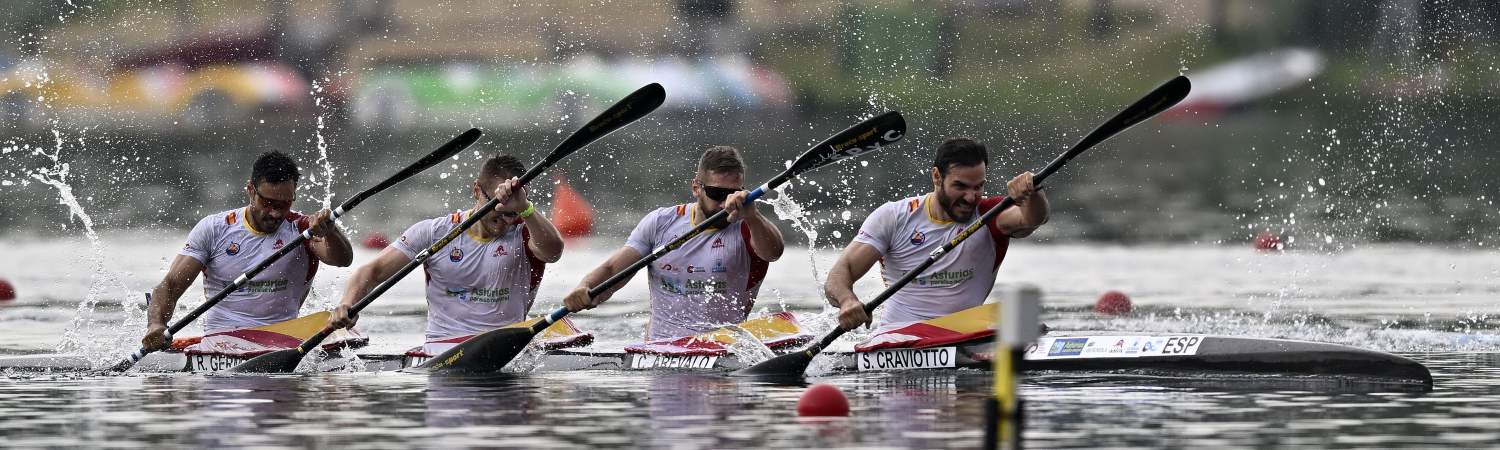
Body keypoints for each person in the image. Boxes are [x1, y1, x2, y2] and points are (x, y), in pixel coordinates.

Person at [325, 155, 564, 354]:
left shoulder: (527, 232)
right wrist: (347, 304)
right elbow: (372, 272)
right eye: (496, 206)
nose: (505, 218)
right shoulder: (433, 232)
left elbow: (553, 252)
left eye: (512, 211)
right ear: (476, 191)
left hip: (505, 348)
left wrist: (525, 209)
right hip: (442, 349)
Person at [562, 146, 785, 340]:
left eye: (733, 193)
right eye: (717, 193)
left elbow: (774, 252)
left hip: (723, 349)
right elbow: (613, 269)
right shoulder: (661, 222)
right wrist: (584, 289)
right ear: (697, 187)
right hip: (659, 349)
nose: (723, 204)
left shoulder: (749, 226)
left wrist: (753, 216)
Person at [825, 138, 1048, 330]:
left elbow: (1033, 218)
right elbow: (838, 275)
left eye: (978, 187)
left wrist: (1033, 192)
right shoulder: (893, 217)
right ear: (936, 177)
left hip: (966, 331)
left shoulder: (990, 214)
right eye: (960, 186)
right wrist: (847, 301)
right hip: (900, 335)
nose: (971, 197)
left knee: (1024, 315)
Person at [142, 151, 353, 350]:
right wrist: (156, 325)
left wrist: (331, 232)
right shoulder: (214, 229)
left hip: (282, 338)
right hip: (222, 339)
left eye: (284, 204)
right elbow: (170, 285)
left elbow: (343, 260)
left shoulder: (303, 229)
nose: (275, 213)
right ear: (250, 190)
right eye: (268, 202)